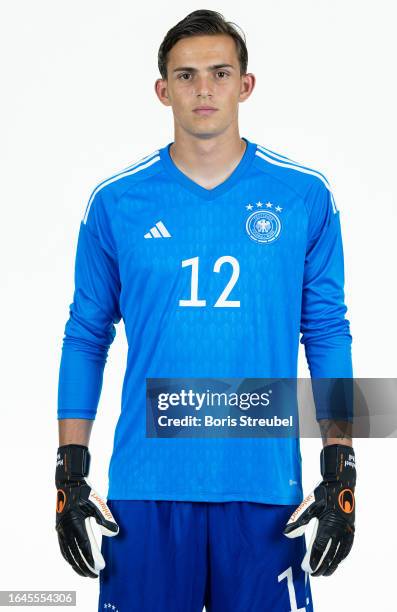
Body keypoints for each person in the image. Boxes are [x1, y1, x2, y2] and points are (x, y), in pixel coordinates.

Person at [55, 9, 356, 612]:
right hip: (146, 486)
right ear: (163, 90)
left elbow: (326, 331)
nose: (203, 90)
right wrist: (69, 471)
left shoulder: (304, 196)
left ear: (245, 85)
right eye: (186, 76)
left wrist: (342, 465)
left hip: (267, 487)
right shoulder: (118, 202)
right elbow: (86, 335)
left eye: (219, 73)